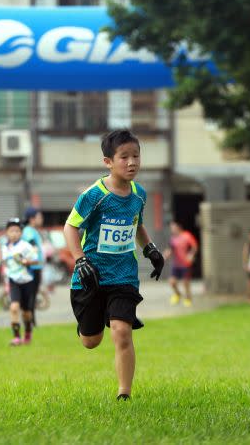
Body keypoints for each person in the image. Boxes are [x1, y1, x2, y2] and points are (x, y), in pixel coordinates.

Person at [63, 129, 164, 401]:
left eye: (136, 156)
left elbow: (137, 224)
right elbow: (70, 227)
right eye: (124, 157)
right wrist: (80, 259)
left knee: (121, 332)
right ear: (108, 161)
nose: (132, 163)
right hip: (92, 276)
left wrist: (151, 248)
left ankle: (124, 394)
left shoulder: (139, 194)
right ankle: (93, 321)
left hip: (124, 276)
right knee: (91, 341)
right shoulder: (94, 195)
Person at [1, 218, 38, 345]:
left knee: (26, 313)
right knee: (14, 308)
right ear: (7, 232)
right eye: (11, 231)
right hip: (13, 281)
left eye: (17, 231)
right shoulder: (5, 248)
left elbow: (36, 260)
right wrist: (4, 279)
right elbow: (5, 264)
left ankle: (28, 331)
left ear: (21, 233)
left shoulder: (25, 246)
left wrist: (26, 262)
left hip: (27, 281)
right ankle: (16, 337)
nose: (14, 233)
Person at [162, 220, 198, 307]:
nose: (172, 229)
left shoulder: (187, 236)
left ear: (178, 227)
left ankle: (188, 299)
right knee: (172, 282)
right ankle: (178, 294)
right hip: (176, 264)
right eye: (171, 228)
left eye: (173, 227)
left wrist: (191, 254)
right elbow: (170, 249)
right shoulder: (173, 238)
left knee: (186, 283)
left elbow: (194, 246)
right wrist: (164, 256)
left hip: (185, 264)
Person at [22, 206, 45, 323]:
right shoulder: (28, 231)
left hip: (36, 267)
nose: (41, 219)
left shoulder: (32, 230)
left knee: (33, 295)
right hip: (32, 268)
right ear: (32, 219)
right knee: (31, 296)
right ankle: (30, 322)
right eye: (39, 217)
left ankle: (31, 321)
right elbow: (32, 247)